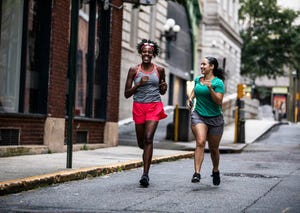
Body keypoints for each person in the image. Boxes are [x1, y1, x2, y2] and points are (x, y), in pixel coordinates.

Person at [124, 39, 168, 187]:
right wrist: (138, 84)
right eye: (144, 51)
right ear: (141, 53)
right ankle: (146, 152)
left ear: (153, 53)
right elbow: (126, 94)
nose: (147, 54)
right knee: (142, 143)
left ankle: (145, 175)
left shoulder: (160, 70)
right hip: (139, 107)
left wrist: (164, 87)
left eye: (150, 51)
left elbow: (162, 91)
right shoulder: (133, 70)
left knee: (149, 138)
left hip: (154, 106)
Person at [186, 56, 225, 186]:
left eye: (204, 64)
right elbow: (195, 90)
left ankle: (215, 170)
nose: (202, 66)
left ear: (212, 67)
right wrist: (190, 99)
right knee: (201, 142)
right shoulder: (198, 79)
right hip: (199, 114)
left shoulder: (218, 83)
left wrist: (210, 89)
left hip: (215, 118)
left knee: (214, 149)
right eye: (201, 64)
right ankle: (197, 173)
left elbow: (219, 101)